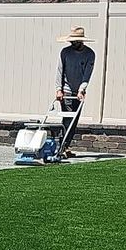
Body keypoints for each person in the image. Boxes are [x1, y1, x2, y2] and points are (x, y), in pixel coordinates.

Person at [52, 26, 95, 159]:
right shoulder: (65, 52)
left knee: (74, 120)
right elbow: (60, 71)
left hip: (79, 93)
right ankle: (61, 146)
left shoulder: (90, 54)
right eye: (71, 41)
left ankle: (65, 146)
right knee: (67, 120)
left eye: (75, 41)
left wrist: (82, 90)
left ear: (81, 41)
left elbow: (87, 74)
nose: (72, 43)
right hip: (66, 91)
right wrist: (58, 89)